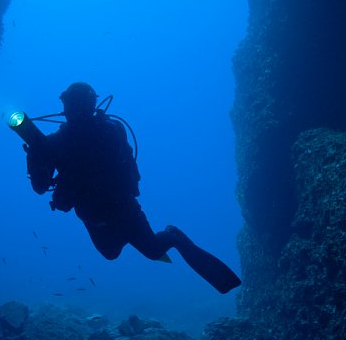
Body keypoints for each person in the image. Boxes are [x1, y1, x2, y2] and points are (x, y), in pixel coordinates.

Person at [23, 81, 241, 294]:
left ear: (88, 106)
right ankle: (143, 237)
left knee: (154, 251)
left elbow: (107, 161)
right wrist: (35, 157)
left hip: (123, 209)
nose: (75, 110)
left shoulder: (108, 131)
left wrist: (43, 151)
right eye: (72, 104)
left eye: (78, 104)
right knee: (110, 253)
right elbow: (41, 187)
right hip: (93, 215)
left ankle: (173, 235)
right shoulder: (57, 143)